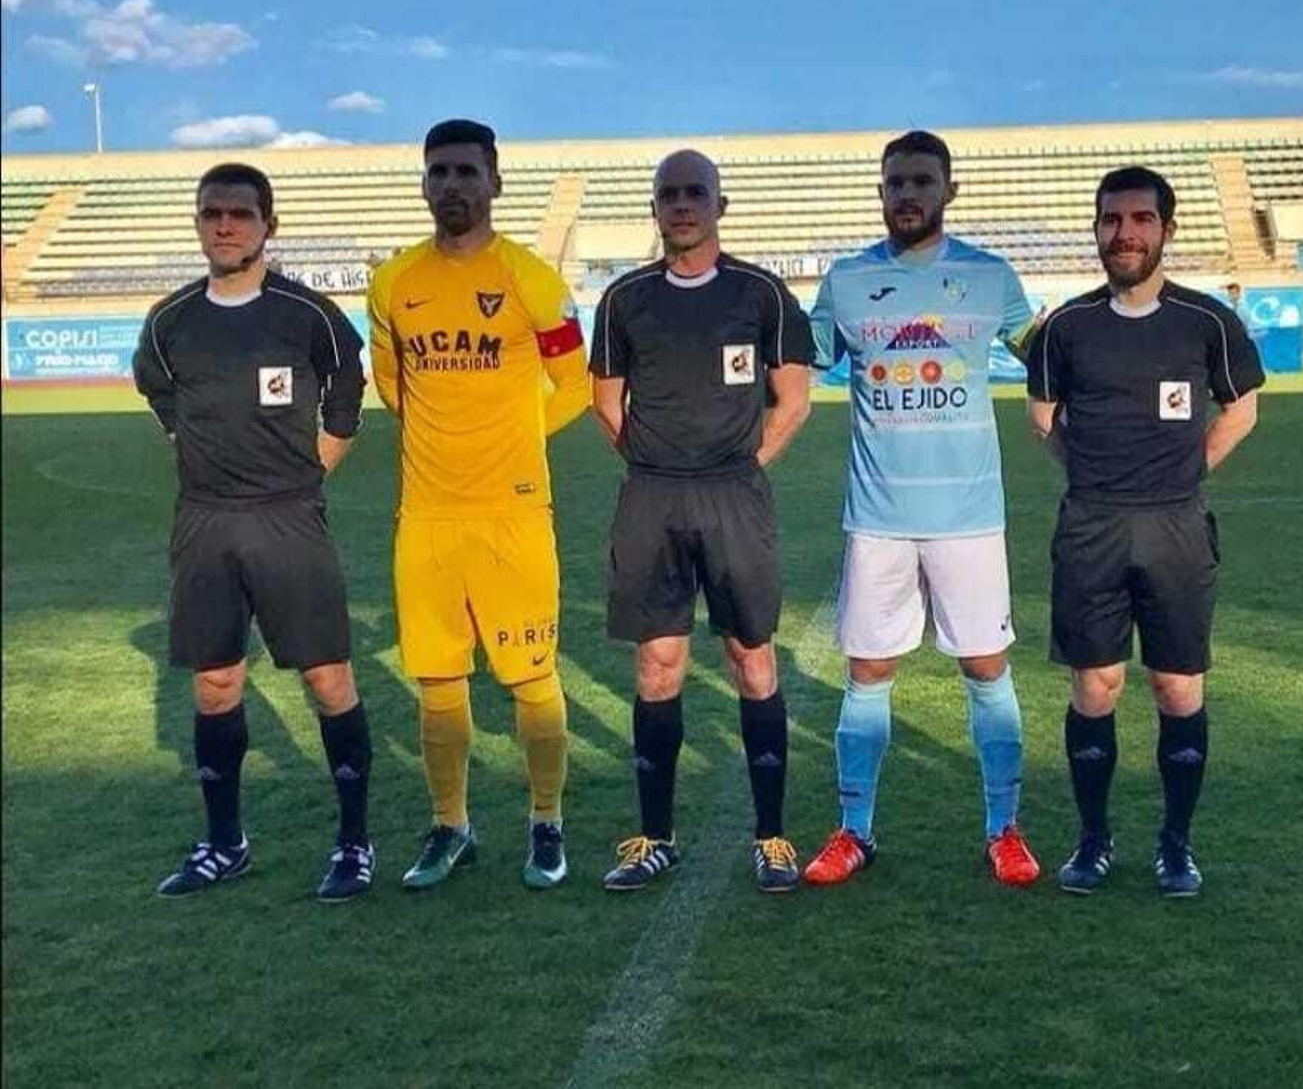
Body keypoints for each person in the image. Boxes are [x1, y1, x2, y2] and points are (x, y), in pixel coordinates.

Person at [802, 130, 1042, 888]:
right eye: (897, 183)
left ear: (949, 191)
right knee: (868, 670)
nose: (908, 195)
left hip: (969, 515)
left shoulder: (990, 277)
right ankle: (854, 830)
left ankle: (1005, 829)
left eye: (922, 182)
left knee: (986, 666)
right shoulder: (846, 281)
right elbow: (796, 362)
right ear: (881, 193)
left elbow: (1051, 355)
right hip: (878, 516)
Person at [133, 163, 375, 903]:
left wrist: (309, 472)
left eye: (241, 213)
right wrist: (192, 448)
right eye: (212, 213)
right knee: (215, 683)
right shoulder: (169, 322)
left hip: (288, 518)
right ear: (197, 222)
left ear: (270, 224)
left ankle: (354, 843)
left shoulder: (307, 314)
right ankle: (224, 842)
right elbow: (158, 392)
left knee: (327, 678)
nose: (225, 225)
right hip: (205, 520)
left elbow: (346, 392)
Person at [1024, 166, 1264, 898]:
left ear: (1166, 228)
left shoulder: (1206, 322)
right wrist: (1097, 476)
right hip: (1091, 525)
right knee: (1095, 685)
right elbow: (1043, 419)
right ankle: (1093, 839)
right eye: (1111, 220)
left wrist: (1183, 474)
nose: (1124, 233)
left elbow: (1242, 410)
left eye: (1140, 219)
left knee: (1176, 686)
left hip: (1177, 526)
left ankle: (1175, 845)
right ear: (1096, 229)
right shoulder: (1066, 326)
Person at [367, 119, 590, 891]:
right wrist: (448, 439)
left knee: (531, 676)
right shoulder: (393, 283)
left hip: (513, 513)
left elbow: (577, 385)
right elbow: (392, 384)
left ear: (495, 182)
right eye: (439, 172)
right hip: (427, 515)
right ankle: (450, 824)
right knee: (437, 679)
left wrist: (512, 439)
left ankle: (546, 821)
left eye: (467, 171)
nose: (453, 185)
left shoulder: (531, 279)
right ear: (423, 184)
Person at [590, 149, 814, 893]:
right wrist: (659, 463)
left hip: (732, 497)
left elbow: (792, 401)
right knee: (657, 663)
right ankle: (654, 837)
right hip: (652, 498)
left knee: (751, 656)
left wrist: (739, 465)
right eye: (669, 194)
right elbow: (606, 404)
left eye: (695, 193)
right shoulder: (624, 299)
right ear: (654, 208)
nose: (682, 205)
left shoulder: (762, 294)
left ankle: (772, 836)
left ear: (720, 204)